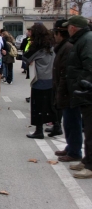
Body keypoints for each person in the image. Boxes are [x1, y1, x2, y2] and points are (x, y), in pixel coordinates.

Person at [48, 19, 82, 163]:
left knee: (72, 122)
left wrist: (61, 90)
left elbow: (65, 73)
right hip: (65, 90)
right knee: (68, 121)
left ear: (59, 34)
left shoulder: (67, 47)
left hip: (69, 91)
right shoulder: (63, 47)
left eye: (55, 33)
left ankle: (74, 151)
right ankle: (70, 147)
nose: (53, 37)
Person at [63, 15, 92, 179]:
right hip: (83, 91)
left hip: (87, 92)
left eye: (69, 27)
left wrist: (84, 85)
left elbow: (89, 65)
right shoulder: (82, 40)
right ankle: (87, 160)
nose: (67, 30)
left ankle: (90, 165)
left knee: (90, 130)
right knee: (87, 128)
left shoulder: (86, 40)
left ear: (73, 28)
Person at [22, 23, 56, 139]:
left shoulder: (37, 47)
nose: (29, 34)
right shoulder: (51, 44)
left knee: (38, 106)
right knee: (50, 104)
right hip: (51, 77)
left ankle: (39, 130)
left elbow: (26, 57)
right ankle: (56, 126)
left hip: (39, 78)